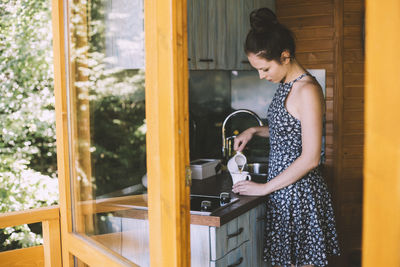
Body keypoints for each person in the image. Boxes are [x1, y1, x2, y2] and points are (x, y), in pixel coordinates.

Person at [231, 7, 340, 267]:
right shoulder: (285, 85)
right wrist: (255, 130)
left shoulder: (307, 91)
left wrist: (263, 189)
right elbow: (290, 131)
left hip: (300, 196)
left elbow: (311, 157)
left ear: (285, 56)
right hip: (284, 193)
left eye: (265, 68)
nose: (261, 75)